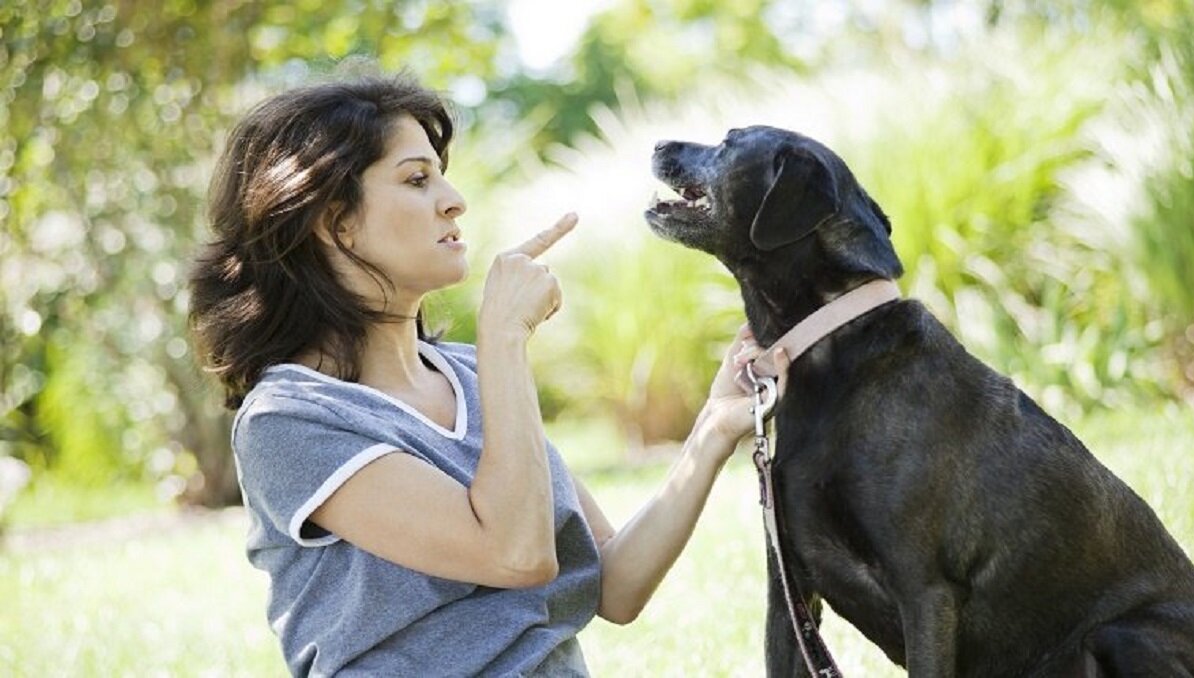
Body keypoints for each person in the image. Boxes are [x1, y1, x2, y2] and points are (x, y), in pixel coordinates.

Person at [188, 70, 790, 677]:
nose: (454, 200)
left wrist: (714, 428)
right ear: (333, 222)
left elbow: (615, 585)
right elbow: (515, 555)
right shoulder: (291, 419)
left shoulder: (475, 378)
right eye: (417, 179)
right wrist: (504, 336)